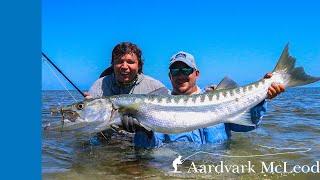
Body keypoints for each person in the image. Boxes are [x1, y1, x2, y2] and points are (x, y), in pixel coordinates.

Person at [131, 51, 285, 148]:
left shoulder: (218, 96)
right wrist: (142, 131)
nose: (180, 75)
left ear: (196, 73)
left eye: (186, 70)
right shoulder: (156, 108)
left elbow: (247, 126)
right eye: (175, 71)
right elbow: (151, 149)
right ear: (170, 76)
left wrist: (261, 98)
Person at [86, 42, 166, 143]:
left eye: (130, 62)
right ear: (113, 65)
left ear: (139, 65)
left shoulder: (155, 87)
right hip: (108, 143)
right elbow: (89, 124)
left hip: (144, 144)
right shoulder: (99, 85)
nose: (124, 66)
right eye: (119, 61)